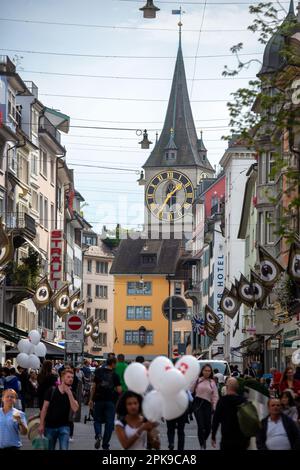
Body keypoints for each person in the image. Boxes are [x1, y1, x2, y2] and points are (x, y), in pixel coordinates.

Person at [39, 369, 79, 450]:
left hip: (65, 426)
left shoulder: (72, 394)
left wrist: (70, 394)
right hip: (50, 426)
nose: (71, 379)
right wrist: (41, 424)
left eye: (72, 377)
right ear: (62, 378)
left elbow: (75, 409)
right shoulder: (52, 390)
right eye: (68, 377)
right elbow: (44, 408)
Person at [89, 357, 122, 450]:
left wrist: (91, 399)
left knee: (97, 420)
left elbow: (93, 387)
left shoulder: (98, 372)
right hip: (110, 401)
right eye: (115, 364)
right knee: (109, 423)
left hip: (98, 400)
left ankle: (98, 434)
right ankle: (105, 445)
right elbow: (119, 390)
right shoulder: (115, 375)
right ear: (113, 364)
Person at [211, 377, 249, 450]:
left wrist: (213, 436)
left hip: (226, 437)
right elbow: (248, 420)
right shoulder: (243, 401)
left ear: (226, 386)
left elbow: (216, 420)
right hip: (241, 438)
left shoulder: (222, 401)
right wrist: (248, 438)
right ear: (237, 387)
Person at [192, 364, 219, 449]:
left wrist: (214, 406)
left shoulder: (212, 382)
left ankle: (203, 440)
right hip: (197, 404)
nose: (207, 372)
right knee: (201, 425)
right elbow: (190, 390)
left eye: (209, 371)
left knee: (208, 427)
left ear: (211, 372)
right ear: (202, 371)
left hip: (207, 405)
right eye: (205, 370)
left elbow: (215, 395)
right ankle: (202, 445)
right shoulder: (198, 380)